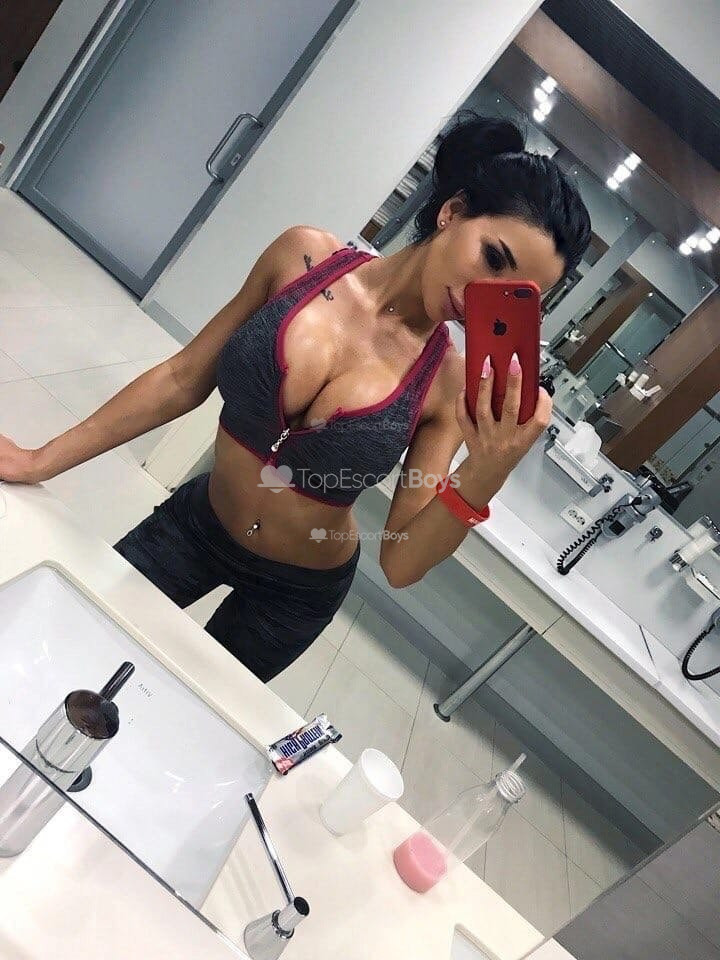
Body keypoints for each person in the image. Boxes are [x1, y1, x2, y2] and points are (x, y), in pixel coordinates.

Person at [0, 113, 591, 682]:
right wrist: (38, 460)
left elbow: (401, 561)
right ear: (452, 212)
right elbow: (182, 379)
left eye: (515, 294)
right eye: (493, 258)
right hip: (195, 526)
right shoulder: (302, 260)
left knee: (165, 727)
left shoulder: (446, 383)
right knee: (60, 647)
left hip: (293, 596)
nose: (485, 292)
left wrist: (487, 473)